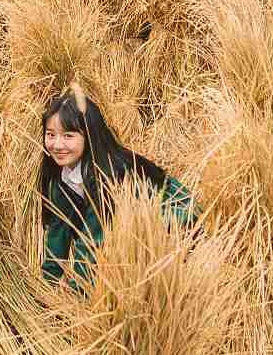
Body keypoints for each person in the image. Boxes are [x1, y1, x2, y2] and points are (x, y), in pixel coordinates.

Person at [40, 85, 199, 292]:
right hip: (129, 223)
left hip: (172, 217)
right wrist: (45, 287)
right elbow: (58, 231)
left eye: (68, 136)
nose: (57, 145)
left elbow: (91, 241)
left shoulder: (107, 174)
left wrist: (76, 294)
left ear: (88, 135)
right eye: (51, 135)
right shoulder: (62, 176)